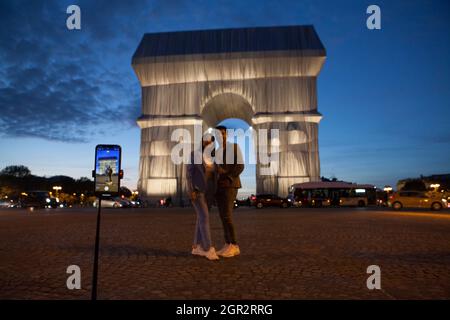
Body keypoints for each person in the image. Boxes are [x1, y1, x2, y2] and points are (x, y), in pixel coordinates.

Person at [187, 134, 219, 261]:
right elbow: (189, 173)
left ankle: (196, 246)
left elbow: (215, 175)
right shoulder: (194, 154)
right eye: (205, 142)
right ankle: (208, 248)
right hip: (197, 191)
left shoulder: (213, 158)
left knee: (201, 218)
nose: (207, 144)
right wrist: (191, 189)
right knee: (204, 217)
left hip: (209, 192)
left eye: (209, 142)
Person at [214, 125, 244, 258]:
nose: (221, 136)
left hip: (230, 185)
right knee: (222, 217)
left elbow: (240, 165)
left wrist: (229, 178)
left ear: (227, 135)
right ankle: (227, 244)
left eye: (223, 133)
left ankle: (234, 245)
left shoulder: (234, 147)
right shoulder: (217, 150)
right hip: (219, 186)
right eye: (218, 134)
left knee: (227, 216)